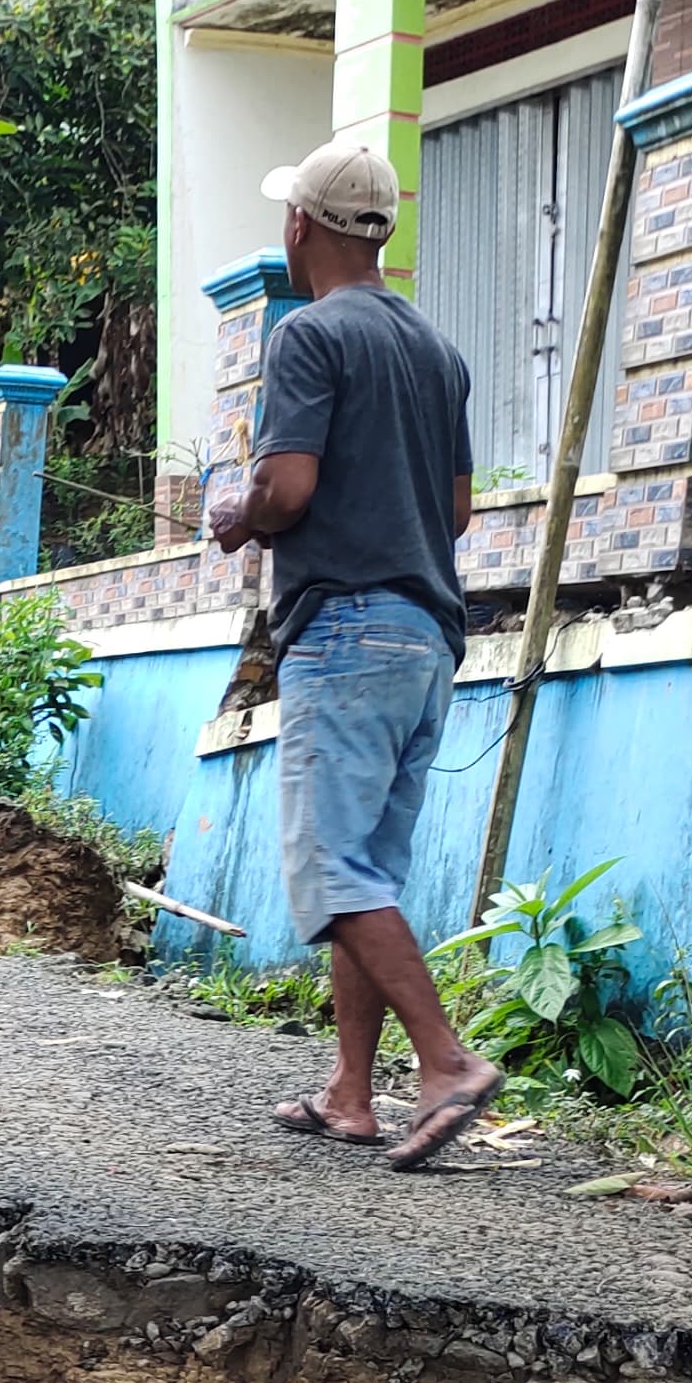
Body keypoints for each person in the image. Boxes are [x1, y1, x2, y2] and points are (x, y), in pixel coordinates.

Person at [206, 131, 496, 1170]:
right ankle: (348, 1092)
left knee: (328, 870)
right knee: (368, 869)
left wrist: (239, 513)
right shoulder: (435, 353)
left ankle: (445, 1062)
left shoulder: (306, 338)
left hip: (344, 628)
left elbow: (287, 488)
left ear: (299, 226)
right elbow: (456, 512)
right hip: (427, 636)